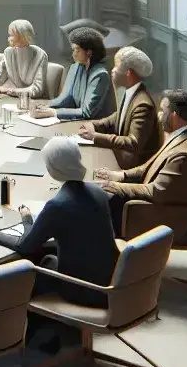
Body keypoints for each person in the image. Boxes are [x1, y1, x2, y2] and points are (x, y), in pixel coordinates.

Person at [8, 137, 118, 353]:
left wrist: (26, 219)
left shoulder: (57, 205)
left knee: (29, 272)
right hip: (111, 281)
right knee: (49, 259)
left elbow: (25, 246)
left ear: (53, 169)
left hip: (83, 290)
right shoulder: (98, 192)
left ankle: (42, 336)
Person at [96, 88, 187, 235]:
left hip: (162, 217)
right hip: (158, 206)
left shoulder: (185, 153)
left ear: (174, 115)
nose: (159, 116)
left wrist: (115, 186)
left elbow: (156, 191)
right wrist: (121, 175)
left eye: (163, 111)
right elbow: (149, 167)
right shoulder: (182, 136)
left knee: (103, 199)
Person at [79, 46, 160, 170]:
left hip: (128, 166)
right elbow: (116, 118)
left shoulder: (143, 105)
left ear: (128, 73)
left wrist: (94, 136)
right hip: (119, 157)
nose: (112, 70)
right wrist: (93, 125)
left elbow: (133, 143)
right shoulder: (131, 93)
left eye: (116, 66)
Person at [46, 26, 115, 121]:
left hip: (95, 126)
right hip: (79, 123)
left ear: (89, 52)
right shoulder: (75, 68)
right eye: (73, 50)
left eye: (77, 50)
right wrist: (46, 105)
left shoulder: (100, 74)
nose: (73, 54)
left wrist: (53, 112)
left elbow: (87, 111)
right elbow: (66, 98)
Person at [0, 20, 51, 98]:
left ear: (22, 35)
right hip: (14, 99)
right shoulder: (9, 53)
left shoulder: (40, 55)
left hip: (35, 102)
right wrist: (2, 89)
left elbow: (37, 90)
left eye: (12, 35)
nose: (9, 39)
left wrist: (12, 91)